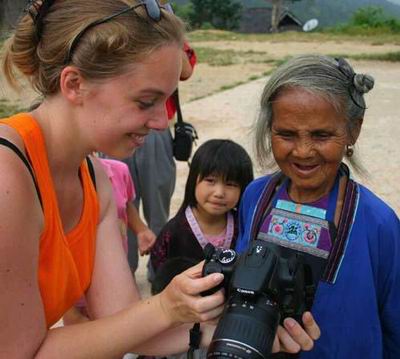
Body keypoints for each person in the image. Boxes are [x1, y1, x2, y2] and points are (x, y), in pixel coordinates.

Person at [0, 1, 227, 357]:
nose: (160, 123)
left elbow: (125, 326)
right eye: (146, 101)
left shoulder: (94, 177)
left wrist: (236, 330)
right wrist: (166, 307)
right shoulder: (7, 176)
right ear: (74, 84)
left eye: (166, 101)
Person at [236, 54, 400, 357]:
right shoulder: (255, 197)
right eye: (286, 134)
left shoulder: (379, 223)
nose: (303, 151)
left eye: (321, 135)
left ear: (353, 130)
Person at [123, 2, 197, 276]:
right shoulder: (114, 20)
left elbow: (185, 71)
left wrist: (167, 29)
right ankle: (123, 269)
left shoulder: (166, 24)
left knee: (156, 200)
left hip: (155, 130)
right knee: (120, 203)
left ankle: (158, 267)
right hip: (118, 126)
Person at [150, 139, 254, 295]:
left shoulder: (245, 228)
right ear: (194, 181)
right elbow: (160, 278)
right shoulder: (173, 233)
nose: (219, 193)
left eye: (230, 184)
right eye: (210, 181)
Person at [63, 158, 156, 325]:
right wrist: (68, 309)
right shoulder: (54, 180)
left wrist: (141, 229)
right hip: (75, 290)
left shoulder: (120, 170)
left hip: (115, 277)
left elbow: (125, 204)